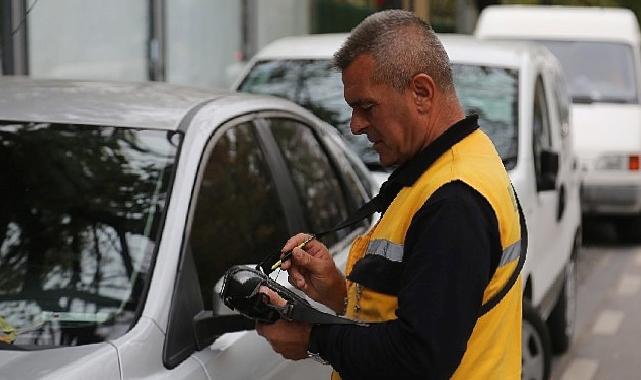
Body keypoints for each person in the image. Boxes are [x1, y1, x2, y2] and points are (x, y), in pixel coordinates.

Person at [256, 9, 524, 380]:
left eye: (366, 107)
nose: (355, 125)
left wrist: (313, 338)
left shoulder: (454, 201)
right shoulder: (459, 162)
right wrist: (338, 293)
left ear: (422, 92)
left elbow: (419, 356)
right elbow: (416, 308)